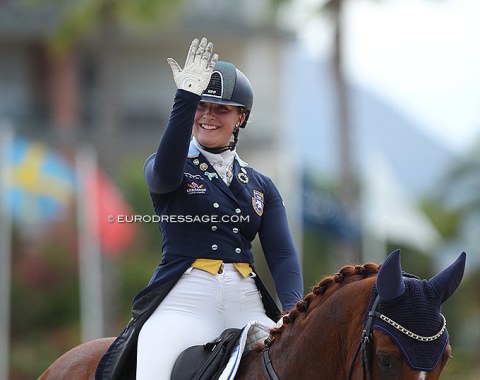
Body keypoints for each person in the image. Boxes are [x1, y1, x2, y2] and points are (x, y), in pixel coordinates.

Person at [97, 37, 304, 380]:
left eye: (221, 109)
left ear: (241, 117)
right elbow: (164, 174)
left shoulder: (261, 184)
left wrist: (294, 312)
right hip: (184, 301)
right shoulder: (168, 167)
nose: (208, 116)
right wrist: (185, 98)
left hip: (247, 302)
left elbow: (281, 255)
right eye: (201, 106)